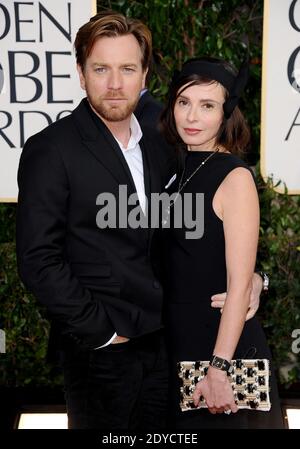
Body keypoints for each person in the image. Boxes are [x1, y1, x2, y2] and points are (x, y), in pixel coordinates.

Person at [16, 11, 263, 430]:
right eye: (101, 69)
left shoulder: (163, 136)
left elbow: (202, 229)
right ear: (80, 73)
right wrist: (103, 332)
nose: (115, 84)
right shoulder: (51, 149)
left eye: (127, 69)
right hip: (102, 356)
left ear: (144, 73)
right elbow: (38, 259)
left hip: (170, 346)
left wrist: (252, 278)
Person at [160, 57, 284, 429]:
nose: (192, 116)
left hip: (222, 353)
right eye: (184, 102)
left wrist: (218, 369)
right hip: (182, 344)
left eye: (207, 105)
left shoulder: (234, 178)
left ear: (226, 114)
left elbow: (238, 284)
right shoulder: (177, 169)